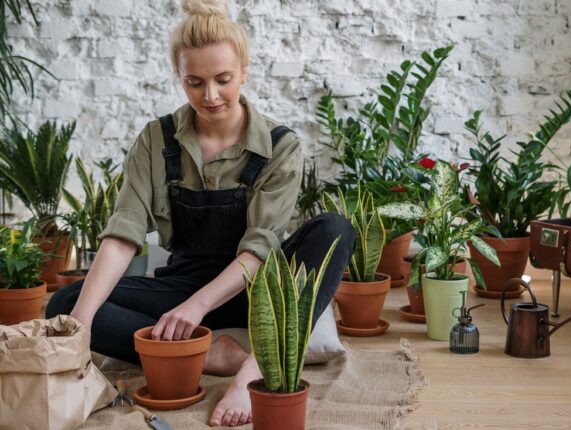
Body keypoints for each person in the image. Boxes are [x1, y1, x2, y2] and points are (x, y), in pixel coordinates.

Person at [45, 0, 355, 426]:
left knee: (336, 228)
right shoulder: (156, 139)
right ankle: (210, 354)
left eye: (223, 80)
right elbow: (123, 235)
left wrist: (195, 309)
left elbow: (259, 250)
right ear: (179, 77)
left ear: (244, 71)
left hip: (257, 289)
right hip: (183, 282)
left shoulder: (280, 147)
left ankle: (254, 369)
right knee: (65, 303)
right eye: (194, 82)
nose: (210, 96)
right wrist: (77, 330)